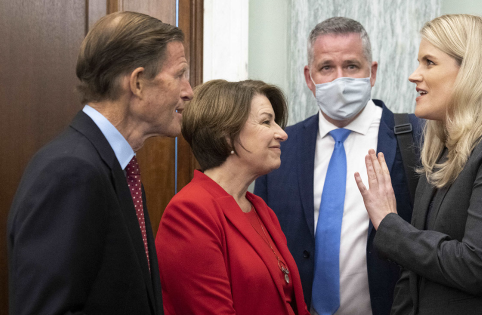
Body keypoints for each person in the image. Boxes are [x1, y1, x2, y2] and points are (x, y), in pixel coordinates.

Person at [355, 14, 482, 315]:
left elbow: (476, 267)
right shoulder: (444, 151)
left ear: (472, 72)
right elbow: (413, 278)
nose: (413, 75)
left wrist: (389, 224)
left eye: (429, 63)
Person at [7, 11, 193, 315]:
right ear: (138, 83)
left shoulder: (115, 167)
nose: (189, 91)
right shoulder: (70, 172)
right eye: (179, 75)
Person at [254, 17, 422, 315]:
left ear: (372, 73)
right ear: (309, 77)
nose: (340, 79)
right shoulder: (280, 146)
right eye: (327, 67)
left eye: (352, 66)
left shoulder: (415, 138)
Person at [155, 79, 310, 315]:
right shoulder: (190, 211)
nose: (282, 133)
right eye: (266, 121)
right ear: (226, 135)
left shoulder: (260, 209)